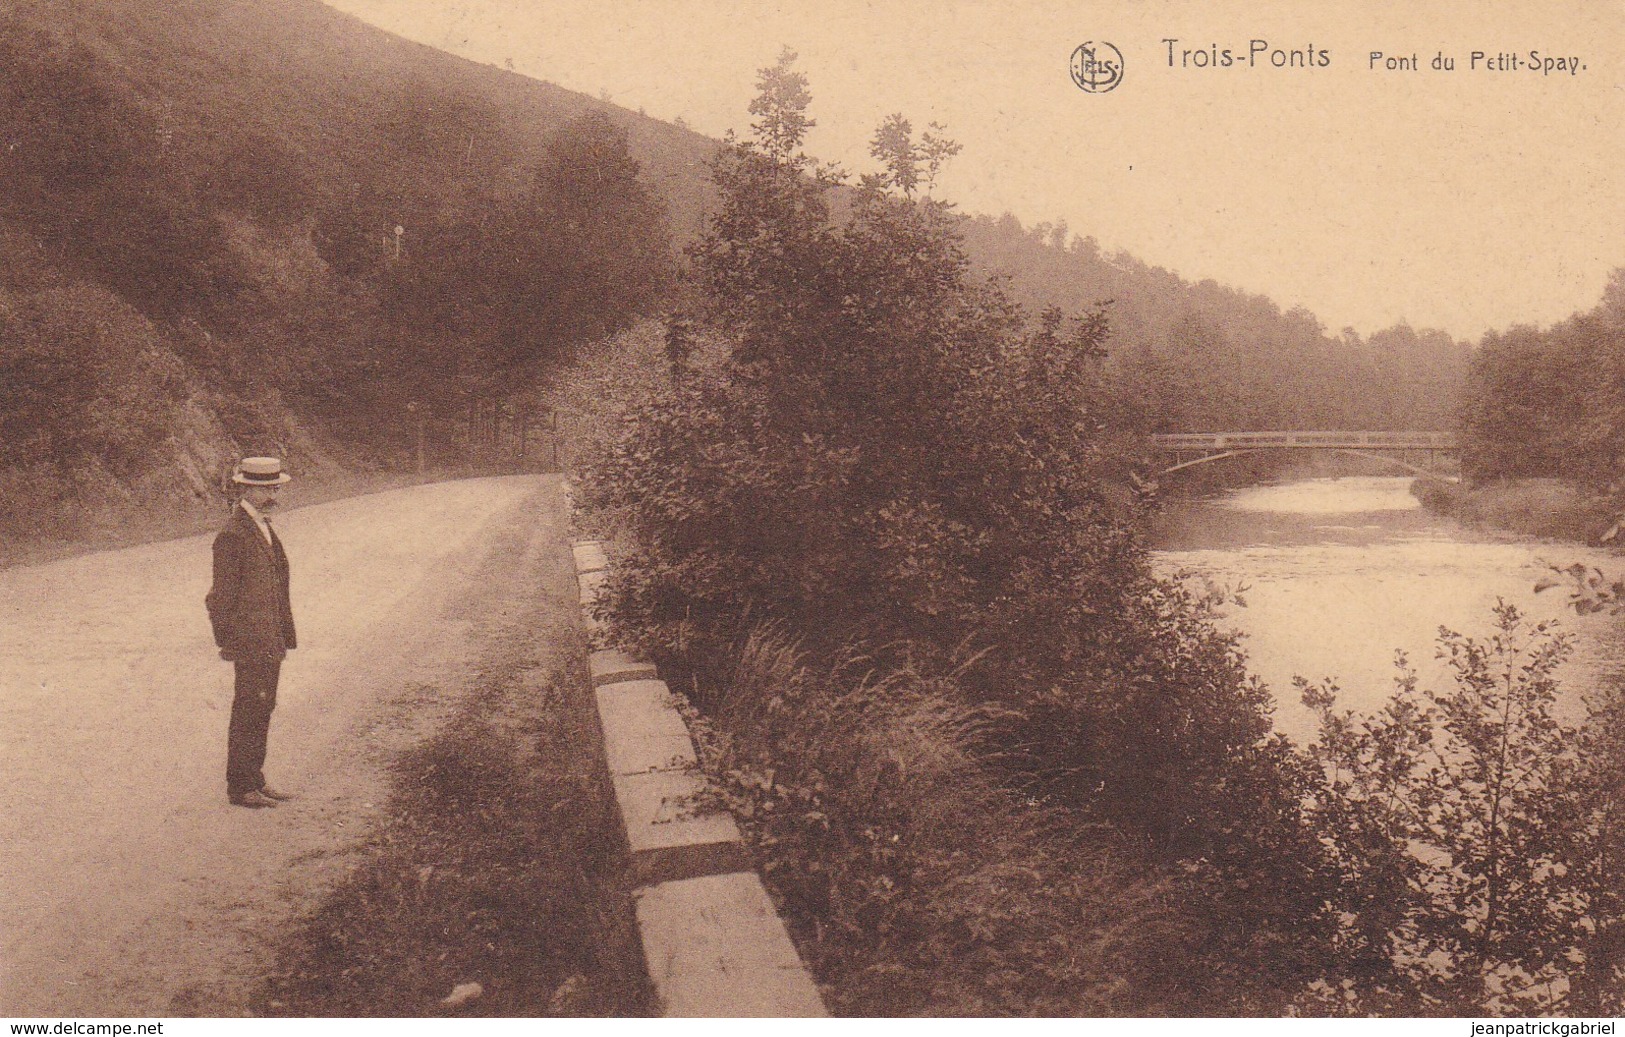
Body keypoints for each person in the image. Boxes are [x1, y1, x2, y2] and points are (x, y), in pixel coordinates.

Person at [206, 456, 298, 809]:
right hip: (249, 641)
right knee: (249, 708)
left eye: (276, 486)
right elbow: (219, 598)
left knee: (263, 706)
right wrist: (228, 641)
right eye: (268, 488)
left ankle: (255, 779)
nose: (275, 493)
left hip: (268, 638)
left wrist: (281, 635)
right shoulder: (232, 535)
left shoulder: (262, 526)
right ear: (248, 489)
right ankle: (240, 787)